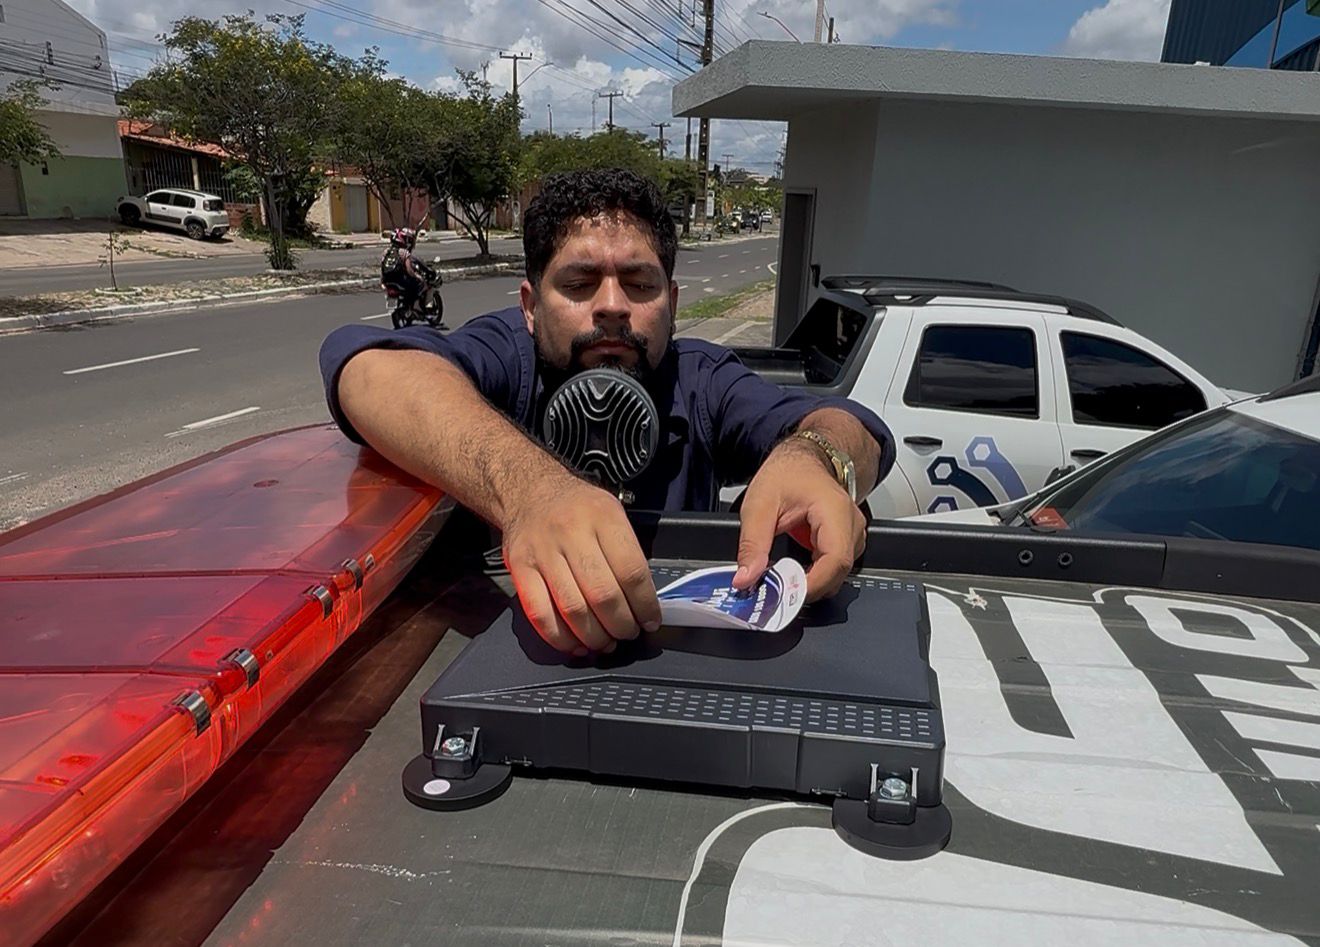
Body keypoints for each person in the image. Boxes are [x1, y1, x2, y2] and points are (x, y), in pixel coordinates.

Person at [322, 169, 895, 656]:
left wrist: (817, 456)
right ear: (530, 307)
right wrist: (529, 490)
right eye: (579, 283)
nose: (613, 306)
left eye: (640, 284)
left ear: (672, 303)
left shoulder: (702, 379)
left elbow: (852, 426)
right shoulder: (507, 357)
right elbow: (370, 370)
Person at [382, 227, 438, 316]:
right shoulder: (404, 253)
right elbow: (409, 270)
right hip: (400, 280)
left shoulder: (386, 252)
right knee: (421, 283)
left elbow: (382, 265)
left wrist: (382, 280)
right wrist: (417, 276)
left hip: (387, 281)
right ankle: (416, 306)